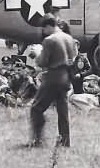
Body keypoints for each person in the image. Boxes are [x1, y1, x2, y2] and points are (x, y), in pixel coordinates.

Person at [27, 14, 79, 148]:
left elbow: (42, 62)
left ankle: (38, 139)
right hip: (66, 77)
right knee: (63, 111)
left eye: (43, 29)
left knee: (36, 108)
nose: (43, 32)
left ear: (49, 26)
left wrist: (38, 52)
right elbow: (73, 57)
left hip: (52, 77)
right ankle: (65, 141)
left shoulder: (49, 40)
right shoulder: (69, 38)